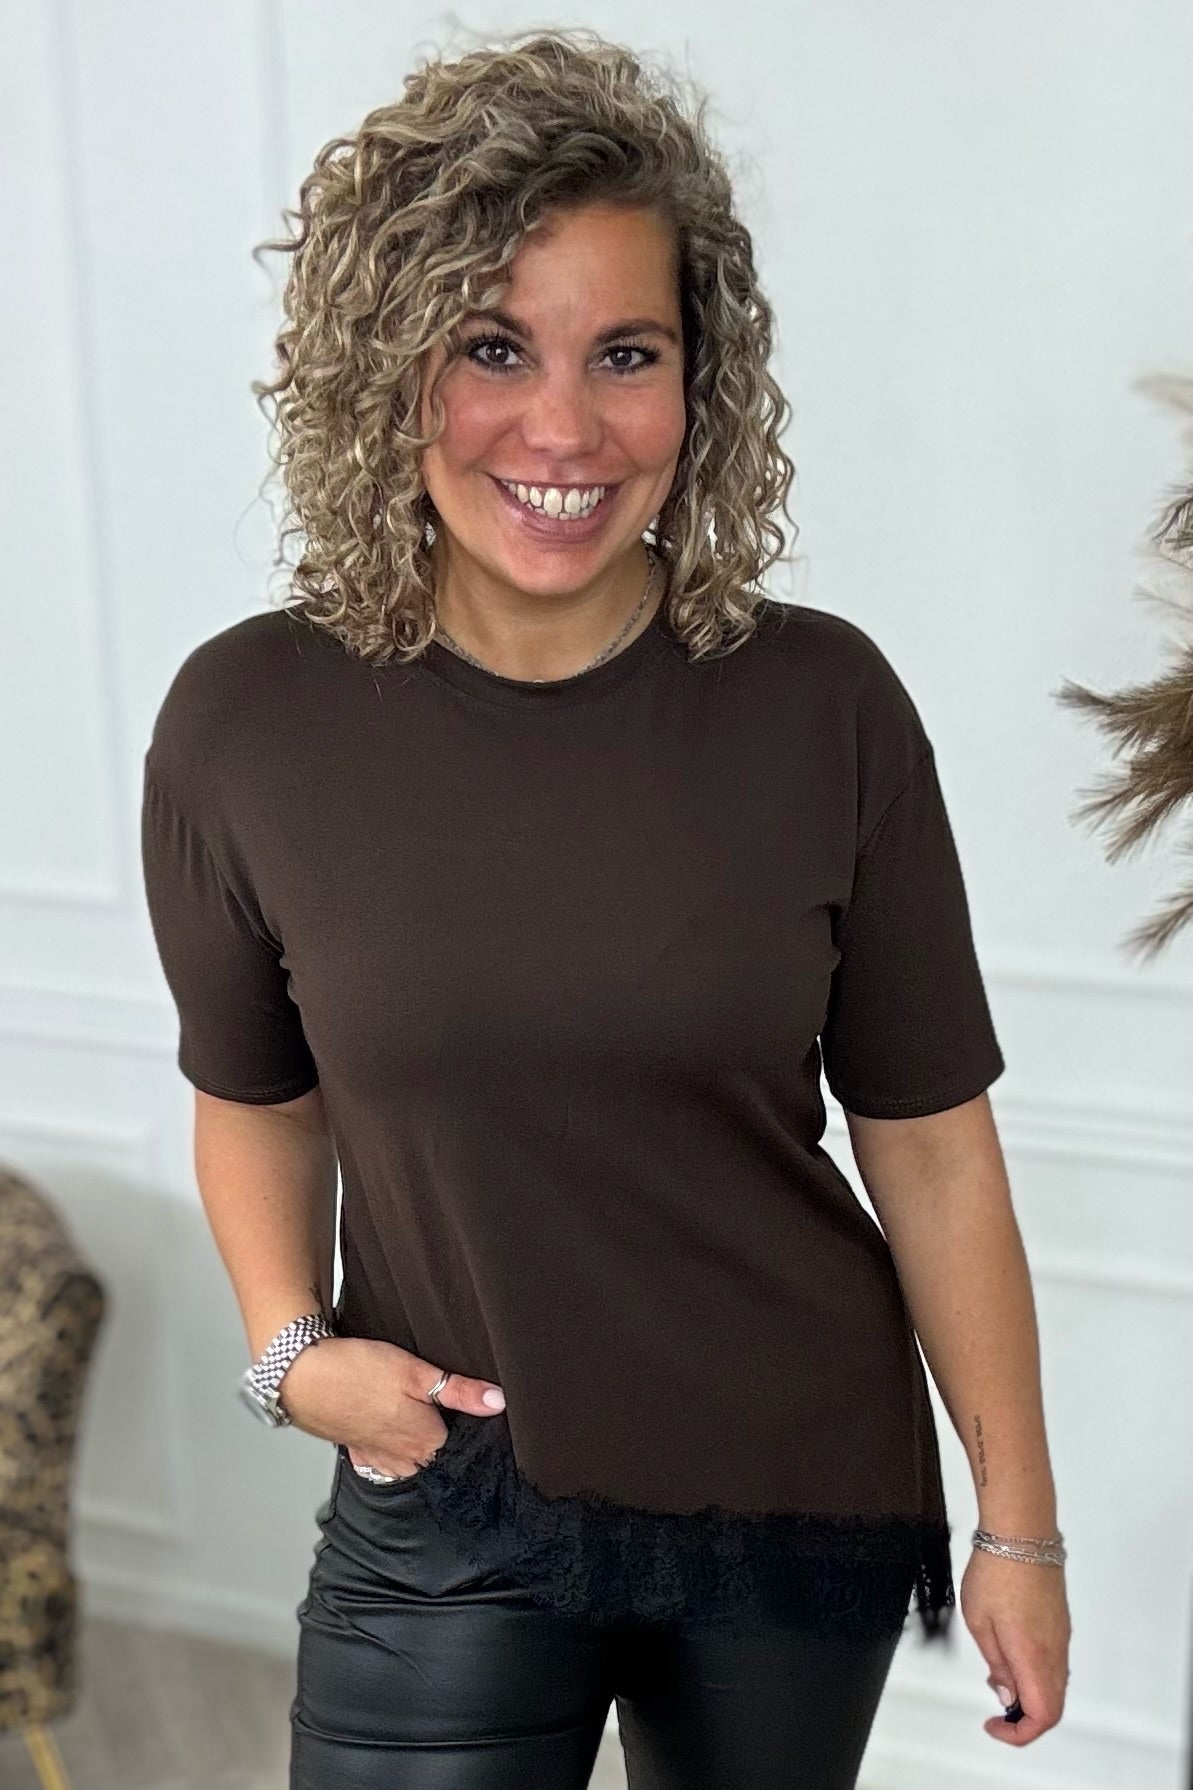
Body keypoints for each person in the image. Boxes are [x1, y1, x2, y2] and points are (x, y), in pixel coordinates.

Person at [139, 27, 1070, 1788]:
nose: (562, 428)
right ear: (387, 363)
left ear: (698, 384)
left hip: (785, 1503)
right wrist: (292, 1352)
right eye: (492, 347)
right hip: (452, 1488)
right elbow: (252, 1094)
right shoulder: (247, 721)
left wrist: (1017, 1524)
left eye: (624, 354)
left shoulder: (824, 706)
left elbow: (932, 1143)